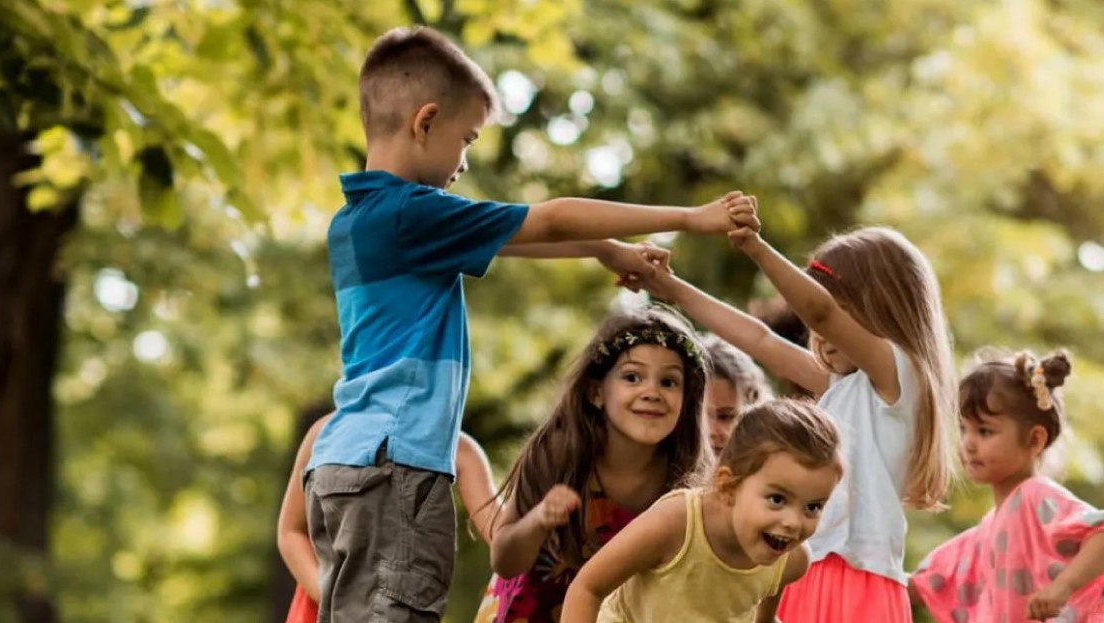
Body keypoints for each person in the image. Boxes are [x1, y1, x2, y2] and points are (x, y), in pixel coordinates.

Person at [307, 25, 751, 621]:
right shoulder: (410, 214)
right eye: (465, 140)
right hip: (396, 464)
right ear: (425, 121)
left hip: (346, 466)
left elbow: (516, 240)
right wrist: (690, 218)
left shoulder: (361, 219)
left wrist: (606, 250)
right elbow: (549, 219)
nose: (463, 162)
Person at [631, 216, 957, 623]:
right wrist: (672, 288)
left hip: (852, 579)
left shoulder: (899, 379)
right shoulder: (844, 385)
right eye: (814, 327)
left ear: (883, 311)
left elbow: (819, 312)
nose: (818, 336)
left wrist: (755, 247)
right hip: (801, 564)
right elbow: (759, 340)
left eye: (841, 317)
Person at [479, 308, 712, 622]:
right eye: (632, 377)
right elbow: (505, 560)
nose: (652, 393)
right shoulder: (561, 454)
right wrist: (540, 519)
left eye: (669, 382)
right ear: (596, 392)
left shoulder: (687, 479)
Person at [558, 399, 845, 622]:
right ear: (728, 486)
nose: (794, 523)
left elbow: (764, 621)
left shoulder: (791, 560)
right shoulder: (674, 524)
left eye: (813, 506)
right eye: (777, 499)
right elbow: (587, 589)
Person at [912, 350, 1104, 622]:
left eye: (984, 431)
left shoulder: (1034, 497)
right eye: (963, 429)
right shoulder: (986, 534)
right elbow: (921, 585)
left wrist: (1062, 586)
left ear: (1034, 440)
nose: (968, 443)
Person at [278, 414, 500, 623]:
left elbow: (501, 532)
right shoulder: (327, 432)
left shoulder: (455, 446)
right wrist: (332, 597)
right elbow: (291, 531)